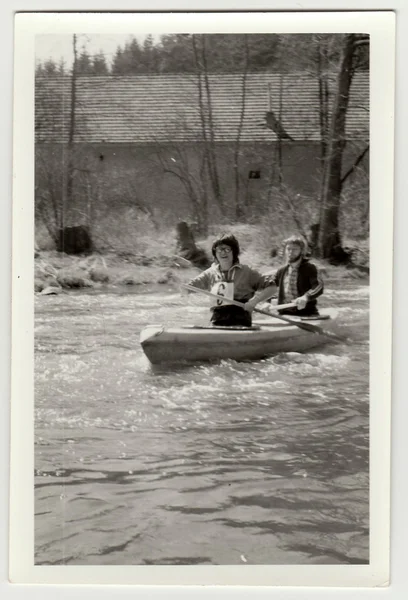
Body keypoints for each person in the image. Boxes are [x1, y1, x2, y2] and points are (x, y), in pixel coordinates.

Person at [187, 233, 275, 327]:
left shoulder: (247, 271)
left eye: (227, 249)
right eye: (219, 249)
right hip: (217, 320)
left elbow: (272, 287)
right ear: (215, 253)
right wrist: (183, 287)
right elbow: (188, 287)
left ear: (234, 251)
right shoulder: (210, 273)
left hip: (240, 319)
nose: (223, 252)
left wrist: (254, 301)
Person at [267, 235, 324, 316]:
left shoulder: (311, 268)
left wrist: (305, 297)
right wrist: (268, 301)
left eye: (295, 249)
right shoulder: (281, 271)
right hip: (284, 315)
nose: (290, 252)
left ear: (302, 251)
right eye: (288, 249)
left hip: (306, 314)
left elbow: (318, 286)